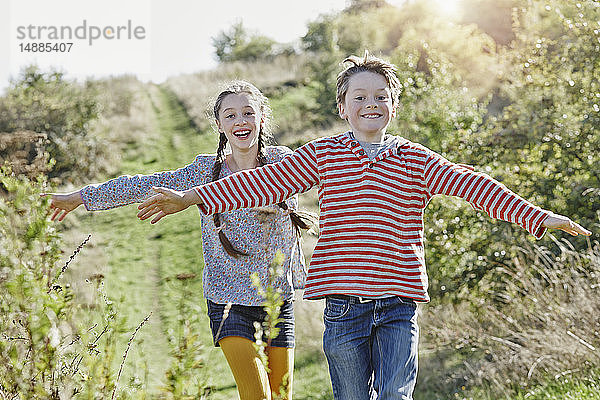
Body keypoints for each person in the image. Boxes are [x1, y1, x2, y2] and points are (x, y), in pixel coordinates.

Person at [135, 53, 592, 400]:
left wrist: (537, 216)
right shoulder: (324, 154)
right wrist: (190, 196)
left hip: (398, 303)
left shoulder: (415, 158)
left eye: (380, 97)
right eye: (360, 97)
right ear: (343, 107)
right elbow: (258, 184)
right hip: (343, 308)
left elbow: (471, 185)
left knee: (394, 395)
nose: (370, 104)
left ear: (393, 107)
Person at [45, 80, 311, 400]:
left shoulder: (284, 163)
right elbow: (144, 184)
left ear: (262, 119)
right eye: (230, 115)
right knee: (258, 396)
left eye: (248, 113)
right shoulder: (204, 170)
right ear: (219, 125)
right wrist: (80, 197)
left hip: (277, 299)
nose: (240, 121)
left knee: (282, 397)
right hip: (229, 300)